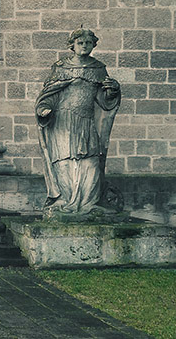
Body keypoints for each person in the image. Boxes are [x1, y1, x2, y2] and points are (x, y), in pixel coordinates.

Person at [35, 28, 121, 216]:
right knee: (64, 163)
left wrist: (112, 90)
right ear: (72, 46)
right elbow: (50, 94)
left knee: (90, 163)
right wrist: (43, 110)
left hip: (87, 121)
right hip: (62, 122)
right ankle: (67, 201)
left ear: (93, 45)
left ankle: (89, 204)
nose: (84, 46)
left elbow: (104, 101)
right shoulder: (60, 67)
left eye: (88, 43)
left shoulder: (98, 68)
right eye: (80, 43)